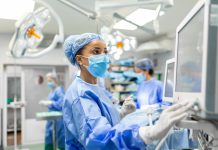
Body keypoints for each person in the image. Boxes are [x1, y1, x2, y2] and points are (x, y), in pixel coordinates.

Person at [63, 33, 191, 149]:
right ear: (80, 59)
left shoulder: (96, 87)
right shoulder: (80, 94)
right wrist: (147, 133)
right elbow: (98, 140)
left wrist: (121, 114)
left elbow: (105, 121)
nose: (103, 56)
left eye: (105, 51)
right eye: (96, 52)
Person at [39, 73, 65, 150]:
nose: (48, 83)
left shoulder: (59, 90)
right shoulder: (52, 91)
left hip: (58, 118)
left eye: (50, 80)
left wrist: (51, 103)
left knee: (59, 136)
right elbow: (52, 104)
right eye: (48, 81)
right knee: (49, 135)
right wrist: (47, 103)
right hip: (51, 117)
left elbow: (62, 103)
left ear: (55, 80)